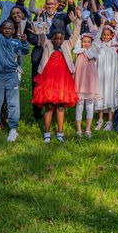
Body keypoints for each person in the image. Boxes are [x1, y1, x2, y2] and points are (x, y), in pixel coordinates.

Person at [32, 10, 82, 143]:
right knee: (48, 107)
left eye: (60, 38)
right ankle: (47, 133)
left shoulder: (67, 45)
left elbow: (76, 34)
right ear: (52, 38)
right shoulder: (47, 44)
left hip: (62, 80)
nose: (58, 40)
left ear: (63, 38)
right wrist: (39, 17)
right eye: (55, 38)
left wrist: (78, 20)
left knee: (60, 107)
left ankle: (60, 132)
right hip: (48, 80)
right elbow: (42, 34)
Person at [0, 0, 30, 143]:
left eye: (10, 28)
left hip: (11, 74)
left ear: (13, 30)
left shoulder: (16, 41)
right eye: (4, 27)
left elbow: (25, 51)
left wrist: (24, 41)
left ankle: (13, 129)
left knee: (13, 103)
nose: (7, 29)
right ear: (1, 29)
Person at [30, 0, 74, 121]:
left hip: (57, 56)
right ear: (45, 5)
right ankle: (37, 114)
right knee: (37, 84)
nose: (50, 6)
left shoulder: (62, 17)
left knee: (55, 85)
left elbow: (71, 16)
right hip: (40, 54)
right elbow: (32, 36)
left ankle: (53, 113)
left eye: (52, 4)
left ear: (56, 6)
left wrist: (71, 4)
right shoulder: (39, 16)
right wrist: (43, 44)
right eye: (48, 4)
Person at [90, 21, 118, 131]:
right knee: (101, 95)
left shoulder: (114, 46)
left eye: (108, 35)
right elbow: (97, 38)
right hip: (100, 75)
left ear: (112, 35)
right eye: (104, 35)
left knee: (110, 95)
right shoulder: (99, 45)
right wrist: (101, 25)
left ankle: (110, 121)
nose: (106, 37)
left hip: (111, 76)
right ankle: (100, 119)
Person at [73, 33, 99, 138]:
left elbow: (97, 40)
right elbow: (76, 42)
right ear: (81, 42)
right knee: (79, 105)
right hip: (80, 83)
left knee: (89, 105)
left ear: (91, 43)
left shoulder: (93, 53)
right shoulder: (78, 52)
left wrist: (101, 26)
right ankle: (79, 129)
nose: (86, 43)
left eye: (88, 42)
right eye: (84, 41)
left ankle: (88, 128)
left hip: (90, 84)